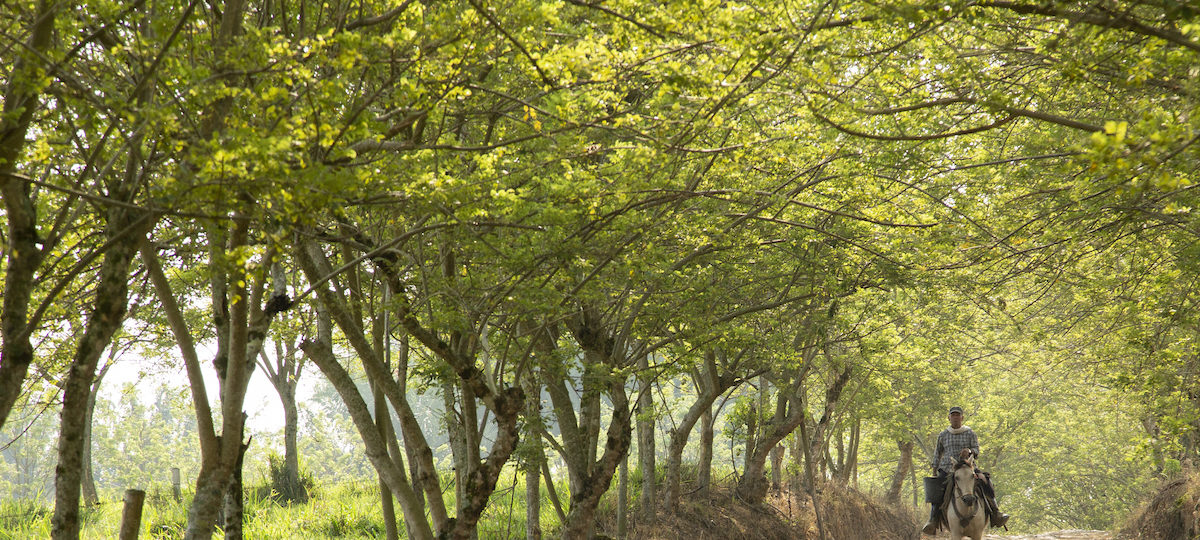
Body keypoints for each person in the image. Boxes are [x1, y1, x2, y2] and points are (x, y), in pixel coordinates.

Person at [921, 406, 1010, 535]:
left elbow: (976, 450)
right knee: (936, 489)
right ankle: (932, 520)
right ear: (949, 418)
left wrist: (969, 451)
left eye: (958, 415)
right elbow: (937, 453)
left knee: (985, 481)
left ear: (962, 417)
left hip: (968, 466)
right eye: (953, 415)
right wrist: (935, 469)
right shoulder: (943, 435)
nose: (955, 417)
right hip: (947, 468)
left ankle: (996, 513)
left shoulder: (970, 433)